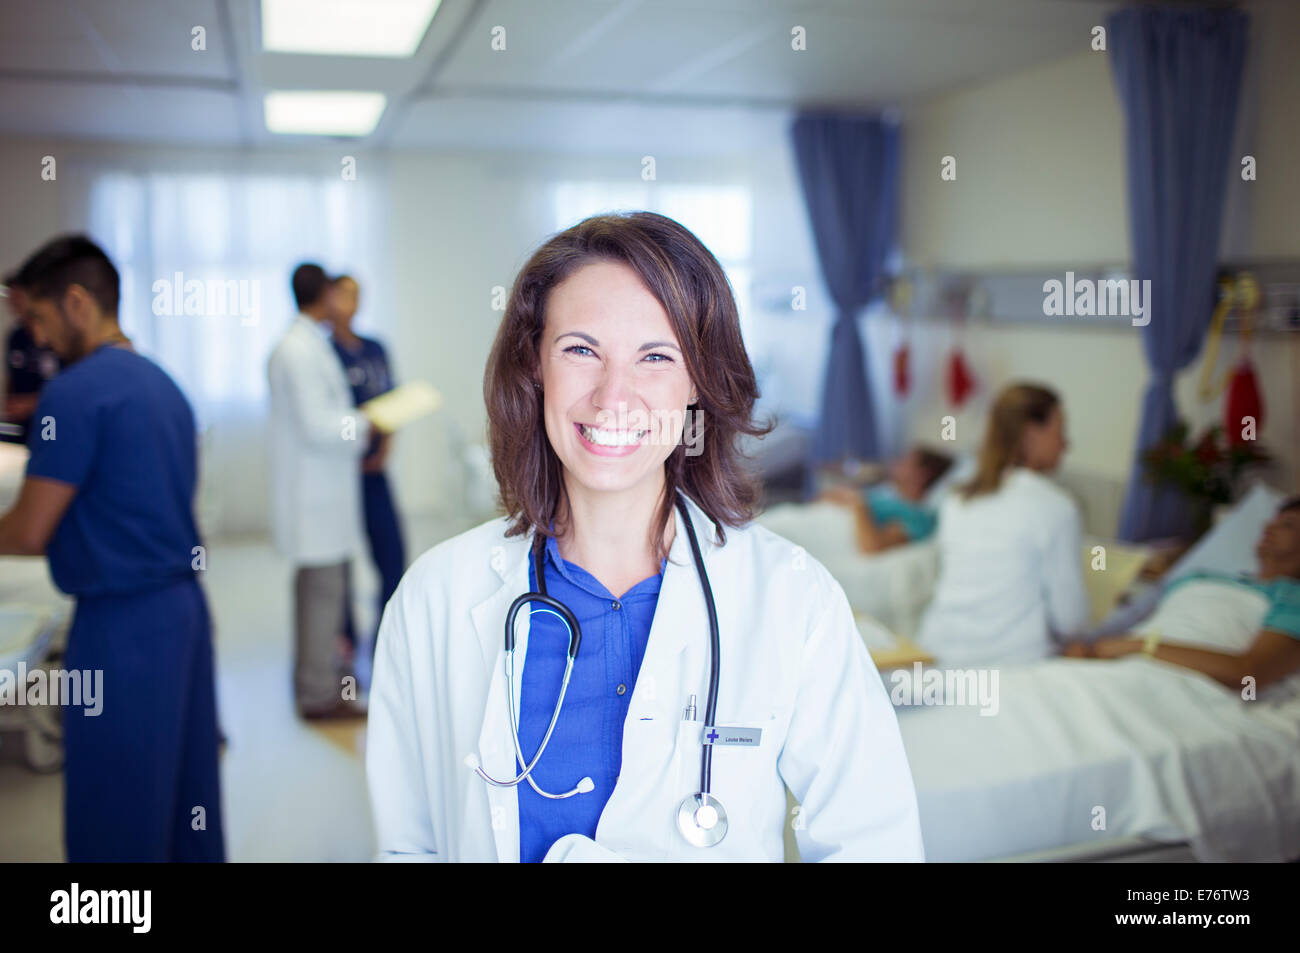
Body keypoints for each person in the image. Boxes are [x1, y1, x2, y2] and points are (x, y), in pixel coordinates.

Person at [365, 212, 924, 862]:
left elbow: (874, 841)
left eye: (655, 356)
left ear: (698, 383)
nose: (613, 395)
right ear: (534, 364)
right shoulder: (436, 595)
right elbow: (408, 848)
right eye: (581, 348)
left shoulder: (792, 598)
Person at [0, 235, 225, 861]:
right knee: (186, 805)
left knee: (115, 817)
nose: (36, 340)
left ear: (76, 303)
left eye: (38, 319)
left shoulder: (74, 393)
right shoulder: (165, 387)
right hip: (183, 615)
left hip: (121, 626)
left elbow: (28, 529)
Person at [914, 383, 1089, 668]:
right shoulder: (1056, 508)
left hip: (936, 658)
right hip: (1008, 670)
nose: (1066, 444)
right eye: (1060, 432)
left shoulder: (957, 500)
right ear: (1032, 434)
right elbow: (1071, 622)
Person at [267, 263, 372, 720]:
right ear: (323, 297)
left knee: (315, 592)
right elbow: (318, 426)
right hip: (316, 498)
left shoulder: (305, 345)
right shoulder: (300, 350)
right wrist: (368, 422)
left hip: (318, 494)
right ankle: (317, 693)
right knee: (322, 595)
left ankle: (311, 679)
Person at [1063, 498, 1300, 692]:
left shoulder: (1292, 597)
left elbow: (1250, 673)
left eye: (1287, 525)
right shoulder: (1199, 578)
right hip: (1119, 666)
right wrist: (1090, 649)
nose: (1268, 528)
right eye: (1272, 521)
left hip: (1178, 683)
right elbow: (1143, 621)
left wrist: (1138, 647)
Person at [328, 274, 407, 665]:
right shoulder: (324, 352)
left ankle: (383, 641)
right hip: (338, 475)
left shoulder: (374, 349)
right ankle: (343, 642)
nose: (351, 302)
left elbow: (391, 403)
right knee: (338, 559)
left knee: (392, 554)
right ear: (327, 298)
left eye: (357, 294)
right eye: (343, 294)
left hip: (375, 471)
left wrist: (384, 449)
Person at [818, 446, 954, 553]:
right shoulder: (886, 496)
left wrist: (858, 504)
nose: (897, 461)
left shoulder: (916, 516)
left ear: (922, 475)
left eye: (906, 460)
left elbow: (873, 546)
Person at [2, 273, 62, 444]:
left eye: (18, 296)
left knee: (48, 449)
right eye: (10, 296)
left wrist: (31, 403)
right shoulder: (16, 336)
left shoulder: (56, 335)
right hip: (21, 423)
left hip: (50, 418)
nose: (13, 302)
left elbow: (70, 385)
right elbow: (11, 377)